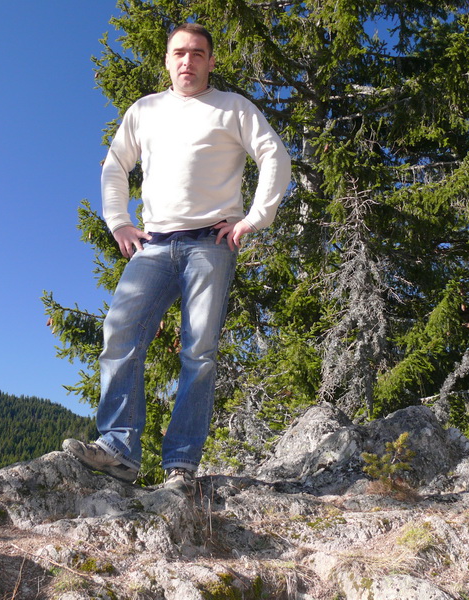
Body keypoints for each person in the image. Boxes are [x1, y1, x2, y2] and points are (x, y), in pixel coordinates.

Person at [63, 23, 292, 492]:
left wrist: (254, 219)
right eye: (179, 53)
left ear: (211, 61)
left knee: (199, 353)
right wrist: (118, 221)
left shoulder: (233, 108)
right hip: (154, 245)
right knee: (120, 331)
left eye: (198, 53)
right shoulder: (144, 111)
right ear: (167, 60)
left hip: (211, 244)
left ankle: (181, 466)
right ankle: (119, 450)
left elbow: (274, 155)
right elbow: (115, 165)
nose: (188, 61)